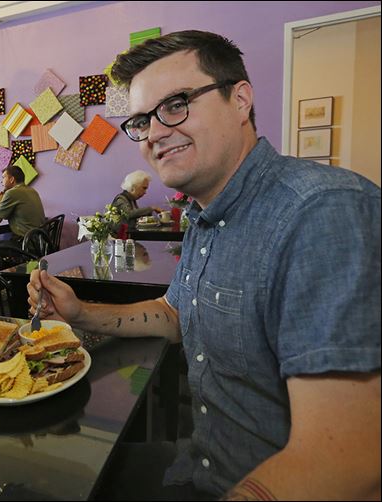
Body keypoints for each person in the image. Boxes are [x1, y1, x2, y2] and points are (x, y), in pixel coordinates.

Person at [28, 30, 380, 500]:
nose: (155, 133)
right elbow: (176, 314)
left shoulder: (322, 211)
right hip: (197, 465)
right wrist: (80, 312)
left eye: (176, 105)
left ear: (240, 99)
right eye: (141, 121)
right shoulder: (205, 215)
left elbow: (345, 459)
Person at [0, 165, 46, 244]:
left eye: (3, 177)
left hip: (26, 243)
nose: (1, 181)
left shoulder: (12, 193)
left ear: (11, 179)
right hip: (40, 242)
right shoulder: (33, 191)